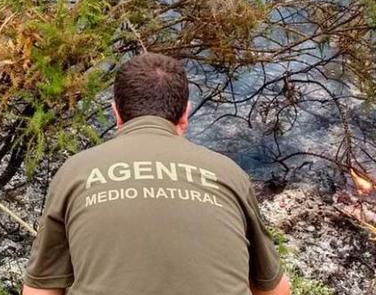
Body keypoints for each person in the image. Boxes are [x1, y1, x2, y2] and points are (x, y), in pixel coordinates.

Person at [22, 53, 291, 295]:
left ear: (116, 113)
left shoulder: (76, 171)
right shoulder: (228, 172)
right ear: (185, 114)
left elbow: (41, 289)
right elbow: (273, 290)